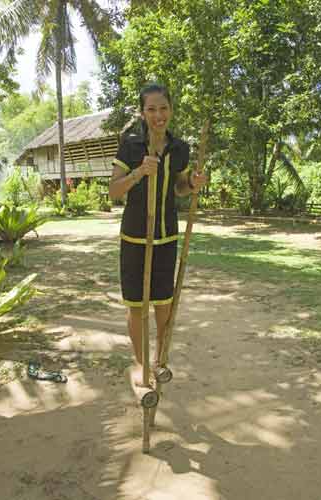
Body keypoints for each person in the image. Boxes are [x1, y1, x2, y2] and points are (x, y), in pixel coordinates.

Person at [109, 83, 207, 386]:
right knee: (137, 305)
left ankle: (159, 359)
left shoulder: (179, 148)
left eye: (163, 108)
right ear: (142, 112)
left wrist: (191, 183)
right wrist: (139, 172)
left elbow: (178, 188)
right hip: (136, 237)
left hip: (166, 237)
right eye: (151, 109)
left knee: (164, 303)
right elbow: (114, 191)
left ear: (171, 110)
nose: (158, 115)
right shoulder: (131, 144)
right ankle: (140, 365)